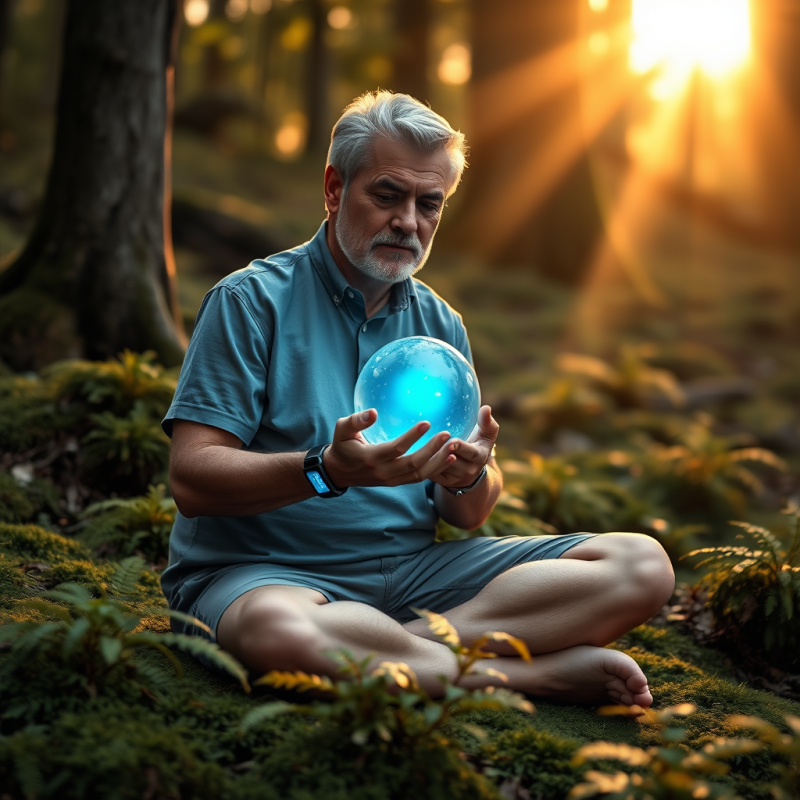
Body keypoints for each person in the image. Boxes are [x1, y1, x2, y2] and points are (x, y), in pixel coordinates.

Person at [162, 91, 675, 708]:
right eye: (388, 195)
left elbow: (467, 516)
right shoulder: (249, 302)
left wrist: (469, 476)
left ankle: (388, 650)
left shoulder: (440, 325)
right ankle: (514, 676)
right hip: (267, 577)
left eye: (428, 203)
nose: (409, 221)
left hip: (412, 576)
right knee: (281, 627)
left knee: (641, 566)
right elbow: (192, 478)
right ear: (333, 187)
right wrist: (325, 471)